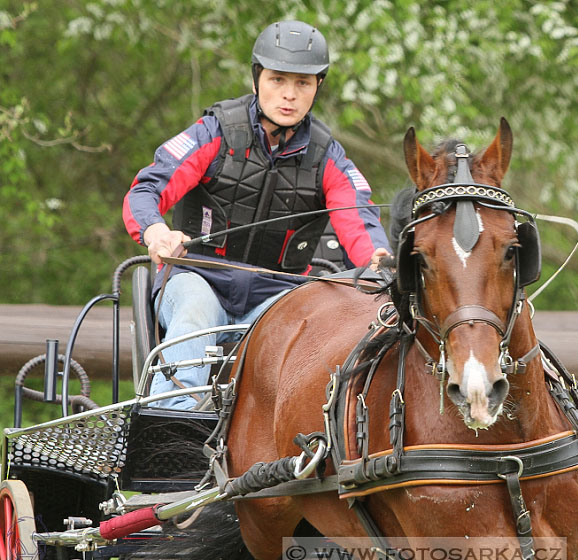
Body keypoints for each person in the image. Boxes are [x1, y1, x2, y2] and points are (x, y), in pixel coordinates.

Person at [123, 20, 390, 409]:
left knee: (313, 327)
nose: (289, 95)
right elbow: (145, 190)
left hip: (275, 295)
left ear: (317, 88)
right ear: (256, 80)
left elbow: (358, 219)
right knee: (196, 313)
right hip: (198, 278)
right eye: (277, 80)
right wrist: (156, 233)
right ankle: (171, 435)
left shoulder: (328, 156)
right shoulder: (214, 133)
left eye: (303, 84)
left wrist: (377, 258)